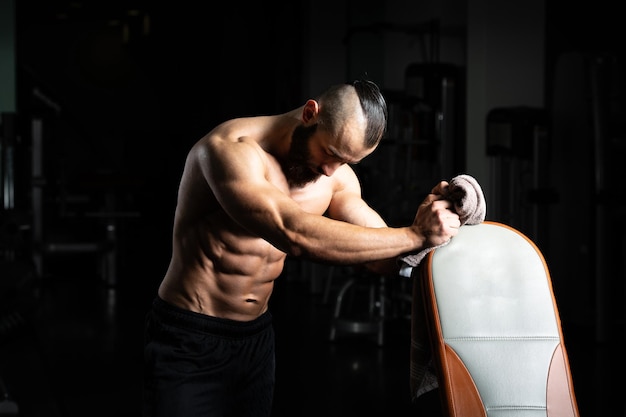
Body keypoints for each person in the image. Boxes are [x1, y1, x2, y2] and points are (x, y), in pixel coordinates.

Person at [142, 78, 460, 417]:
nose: (330, 170)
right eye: (331, 153)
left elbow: (380, 256)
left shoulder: (334, 176)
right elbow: (291, 232)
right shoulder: (228, 150)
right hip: (190, 336)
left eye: (347, 162)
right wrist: (414, 235)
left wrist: (437, 225)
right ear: (311, 113)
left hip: (255, 340)